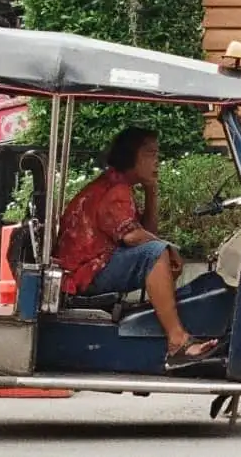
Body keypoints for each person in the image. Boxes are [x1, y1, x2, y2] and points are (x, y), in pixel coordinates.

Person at [54, 127, 222, 367]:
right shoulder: (115, 190)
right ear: (130, 156)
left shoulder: (121, 185)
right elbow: (133, 237)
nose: (157, 161)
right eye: (150, 154)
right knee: (155, 253)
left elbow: (147, 231)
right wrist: (168, 248)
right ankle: (178, 341)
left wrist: (151, 190)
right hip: (86, 272)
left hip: (97, 264)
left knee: (156, 249)